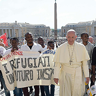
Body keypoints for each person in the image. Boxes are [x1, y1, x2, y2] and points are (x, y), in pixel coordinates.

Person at [53, 29, 90, 96]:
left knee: (77, 92)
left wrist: (87, 76)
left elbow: (85, 63)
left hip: (78, 73)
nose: (70, 39)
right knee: (66, 93)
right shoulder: (61, 48)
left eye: (72, 37)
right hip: (65, 74)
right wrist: (56, 76)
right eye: (69, 37)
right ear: (66, 37)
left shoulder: (81, 47)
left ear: (75, 37)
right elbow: (57, 64)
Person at [20, 32, 43, 96]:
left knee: (36, 87)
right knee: (25, 86)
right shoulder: (22, 47)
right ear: (25, 38)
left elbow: (44, 55)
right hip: (26, 70)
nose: (30, 38)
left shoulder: (38, 46)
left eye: (31, 37)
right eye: (28, 37)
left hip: (36, 70)